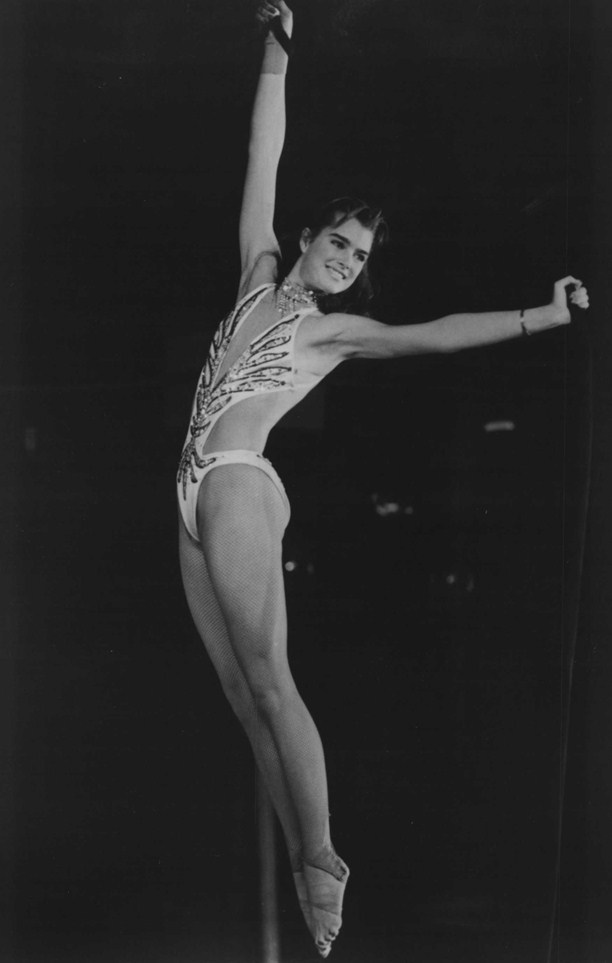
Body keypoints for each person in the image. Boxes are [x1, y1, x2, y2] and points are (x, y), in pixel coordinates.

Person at [177, 1, 589, 956]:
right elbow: (262, 160)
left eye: (360, 258)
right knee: (244, 701)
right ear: (318, 232)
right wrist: (277, 54)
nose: (347, 261)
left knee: (272, 683)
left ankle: (323, 861)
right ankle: (300, 854)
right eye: (341, 242)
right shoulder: (258, 271)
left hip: (238, 480)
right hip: (189, 492)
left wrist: (543, 316)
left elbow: (431, 334)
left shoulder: (333, 330)